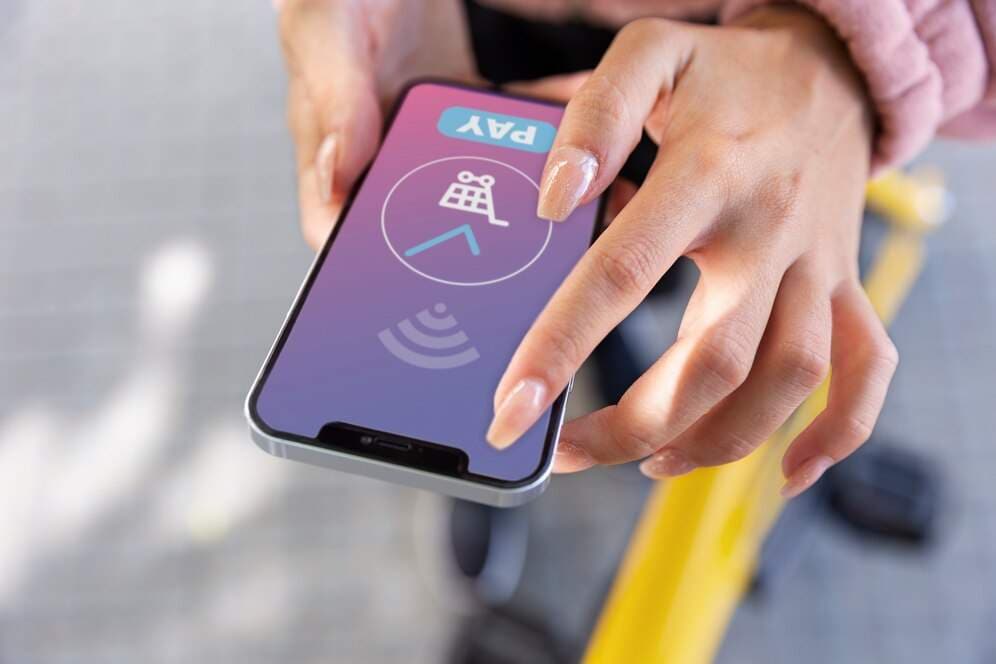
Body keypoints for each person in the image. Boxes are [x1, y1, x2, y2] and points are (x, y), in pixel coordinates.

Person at [274, 0, 996, 497]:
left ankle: (574, 368)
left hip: (727, 60)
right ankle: (499, 432)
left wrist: (847, 44)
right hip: (471, 20)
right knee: (503, 282)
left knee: (639, 249)